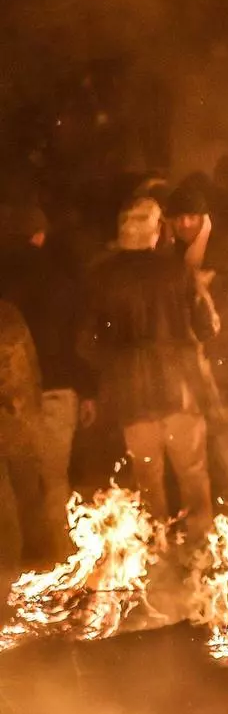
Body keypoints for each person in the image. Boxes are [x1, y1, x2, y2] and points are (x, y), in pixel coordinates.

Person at [79, 197, 218, 555]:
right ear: (156, 231)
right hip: (180, 392)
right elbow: (207, 326)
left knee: (149, 483)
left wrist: (115, 365)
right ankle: (203, 553)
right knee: (192, 475)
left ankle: (159, 556)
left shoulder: (103, 277)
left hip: (133, 398)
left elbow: (87, 342)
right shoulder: (177, 271)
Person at [0, 203, 97, 560]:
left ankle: (16, 560)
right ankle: (58, 559)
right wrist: (87, 390)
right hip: (57, 389)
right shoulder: (62, 280)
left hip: (9, 399)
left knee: (13, 483)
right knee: (54, 479)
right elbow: (81, 343)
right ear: (40, 236)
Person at [163, 182, 228, 503]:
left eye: (191, 216)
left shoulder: (227, 247)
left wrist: (214, 282)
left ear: (203, 217)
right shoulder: (171, 254)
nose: (184, 224)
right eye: (178, 218)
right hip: (191, 358)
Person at [0, 300, 50, 570]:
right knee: (19, 498)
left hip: (19, 421)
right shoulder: (10, 313)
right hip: (21, 419)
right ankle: (24, 562)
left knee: (25, 495)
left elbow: (29, 367)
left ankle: (30, 561)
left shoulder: (8, 315)